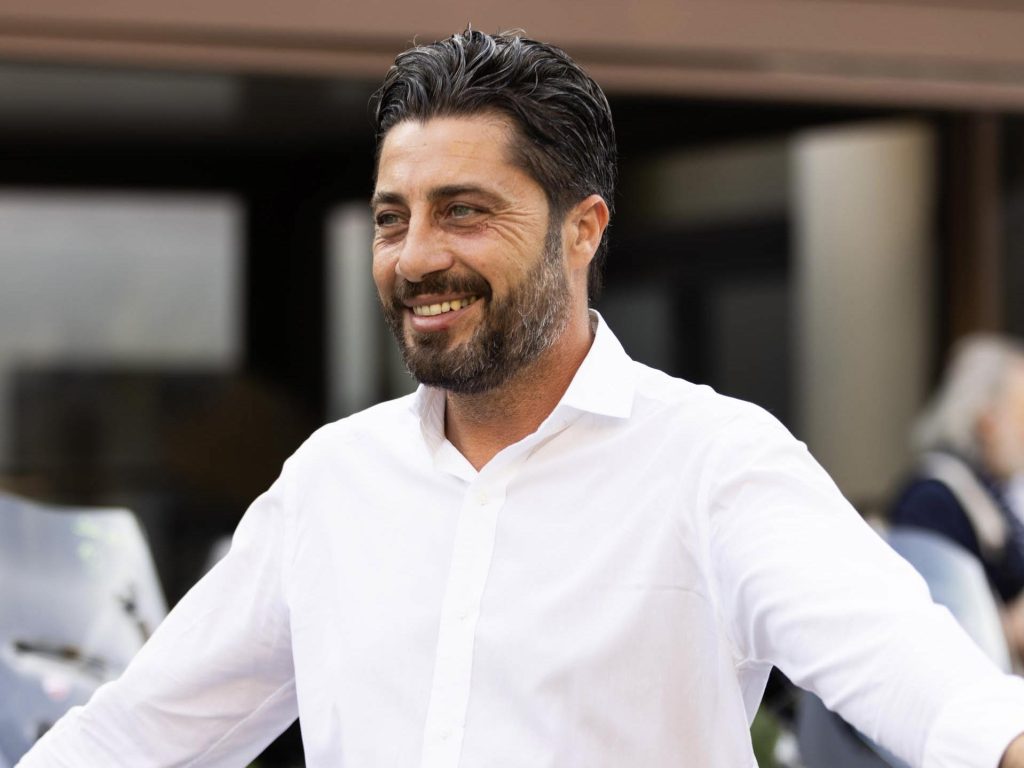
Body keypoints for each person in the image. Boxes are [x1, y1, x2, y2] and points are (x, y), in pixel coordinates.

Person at [18, 28, 1024, 768]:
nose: (416, 257)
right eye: (392, 218)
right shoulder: (331, 482)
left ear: (581, 230)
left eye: (463, 212)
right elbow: (136, 735)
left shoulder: (713, 463)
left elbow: (921, 678)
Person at [890, 335, 1024, 659]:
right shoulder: (933, 499)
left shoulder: (991, 492)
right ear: (986, 422)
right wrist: (1011, 628)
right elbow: (927, 633)